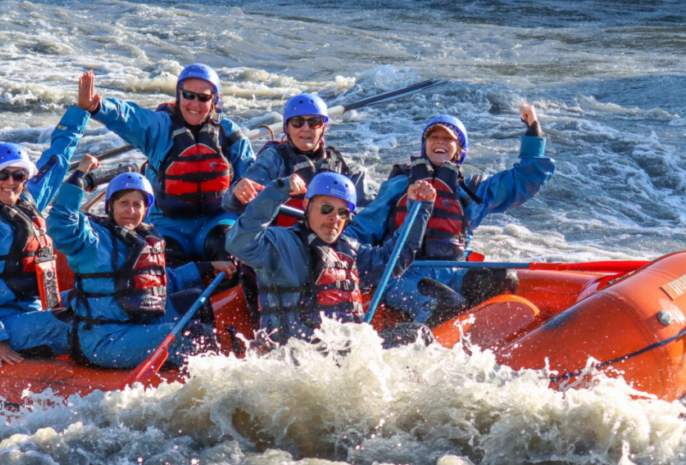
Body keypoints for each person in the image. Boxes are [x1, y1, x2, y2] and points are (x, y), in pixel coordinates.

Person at [346, 105, 555, 323]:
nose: (440, 142)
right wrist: (337, 252)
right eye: (434, 137)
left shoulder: (472, 190)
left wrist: (533, 130)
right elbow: (362, 228)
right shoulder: (399, 186)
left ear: (460, 149)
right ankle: (422, 332)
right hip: (402, 276)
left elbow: (524, 179)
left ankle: (478, 331)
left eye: (448, 139)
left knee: (505, 278)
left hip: (456, 271)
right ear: (425, 145)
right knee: (445, 304)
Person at [47, 158, 235, 369]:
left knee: (195, 299)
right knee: (197, 335)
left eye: (137, 205)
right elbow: (62, 222)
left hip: (138, 322)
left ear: (146, 210)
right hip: (106, 338)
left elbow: (160, 282)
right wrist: (79, 175)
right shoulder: (92, 240)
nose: (131, 210)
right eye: (124, 203)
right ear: (110, 206)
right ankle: (206, 371)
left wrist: (207, 266)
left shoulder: (142, 238)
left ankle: (200, 362)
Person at [0, 100, 91, 367]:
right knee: (84, 322)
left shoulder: (26, 201)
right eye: (2, 175)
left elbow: (56, 160)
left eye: (18, 175)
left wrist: (81, 111)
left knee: (98, 301)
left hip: (33, 308)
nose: (11, 182)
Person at [226, 171, 436, 344]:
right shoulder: (279, 244)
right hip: (296, 355)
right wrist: (277, 190)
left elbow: (395, 260)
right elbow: (238, 243)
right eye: (326, 208)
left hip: (346, 354)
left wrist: (420, 209)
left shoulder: (350, 250)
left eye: (342, 212)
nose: (334, 218)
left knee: (418, 335)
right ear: (307, 206)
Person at [78, 65, 255, 265]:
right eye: (189, 95)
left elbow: (253, 174)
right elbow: (129, 116)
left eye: (203, 98)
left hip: (217, 220)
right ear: (179, 95)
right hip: (167, 225)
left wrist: (244, 184)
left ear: (214, 100)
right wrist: (97, 107)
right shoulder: (160, 127)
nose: (194, 104)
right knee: (161, 267)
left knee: (233, 254)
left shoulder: (228, 132)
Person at [222, 93, 375, 226]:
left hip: (328, 240)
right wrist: (237, 193)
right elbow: (231, 205)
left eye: (314, 122)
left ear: (324, 127)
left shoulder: (345, 168)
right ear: (287, 128)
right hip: (281, 240)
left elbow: (369, 216)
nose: (306, 128)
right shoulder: (273, 159)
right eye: (297, 122)